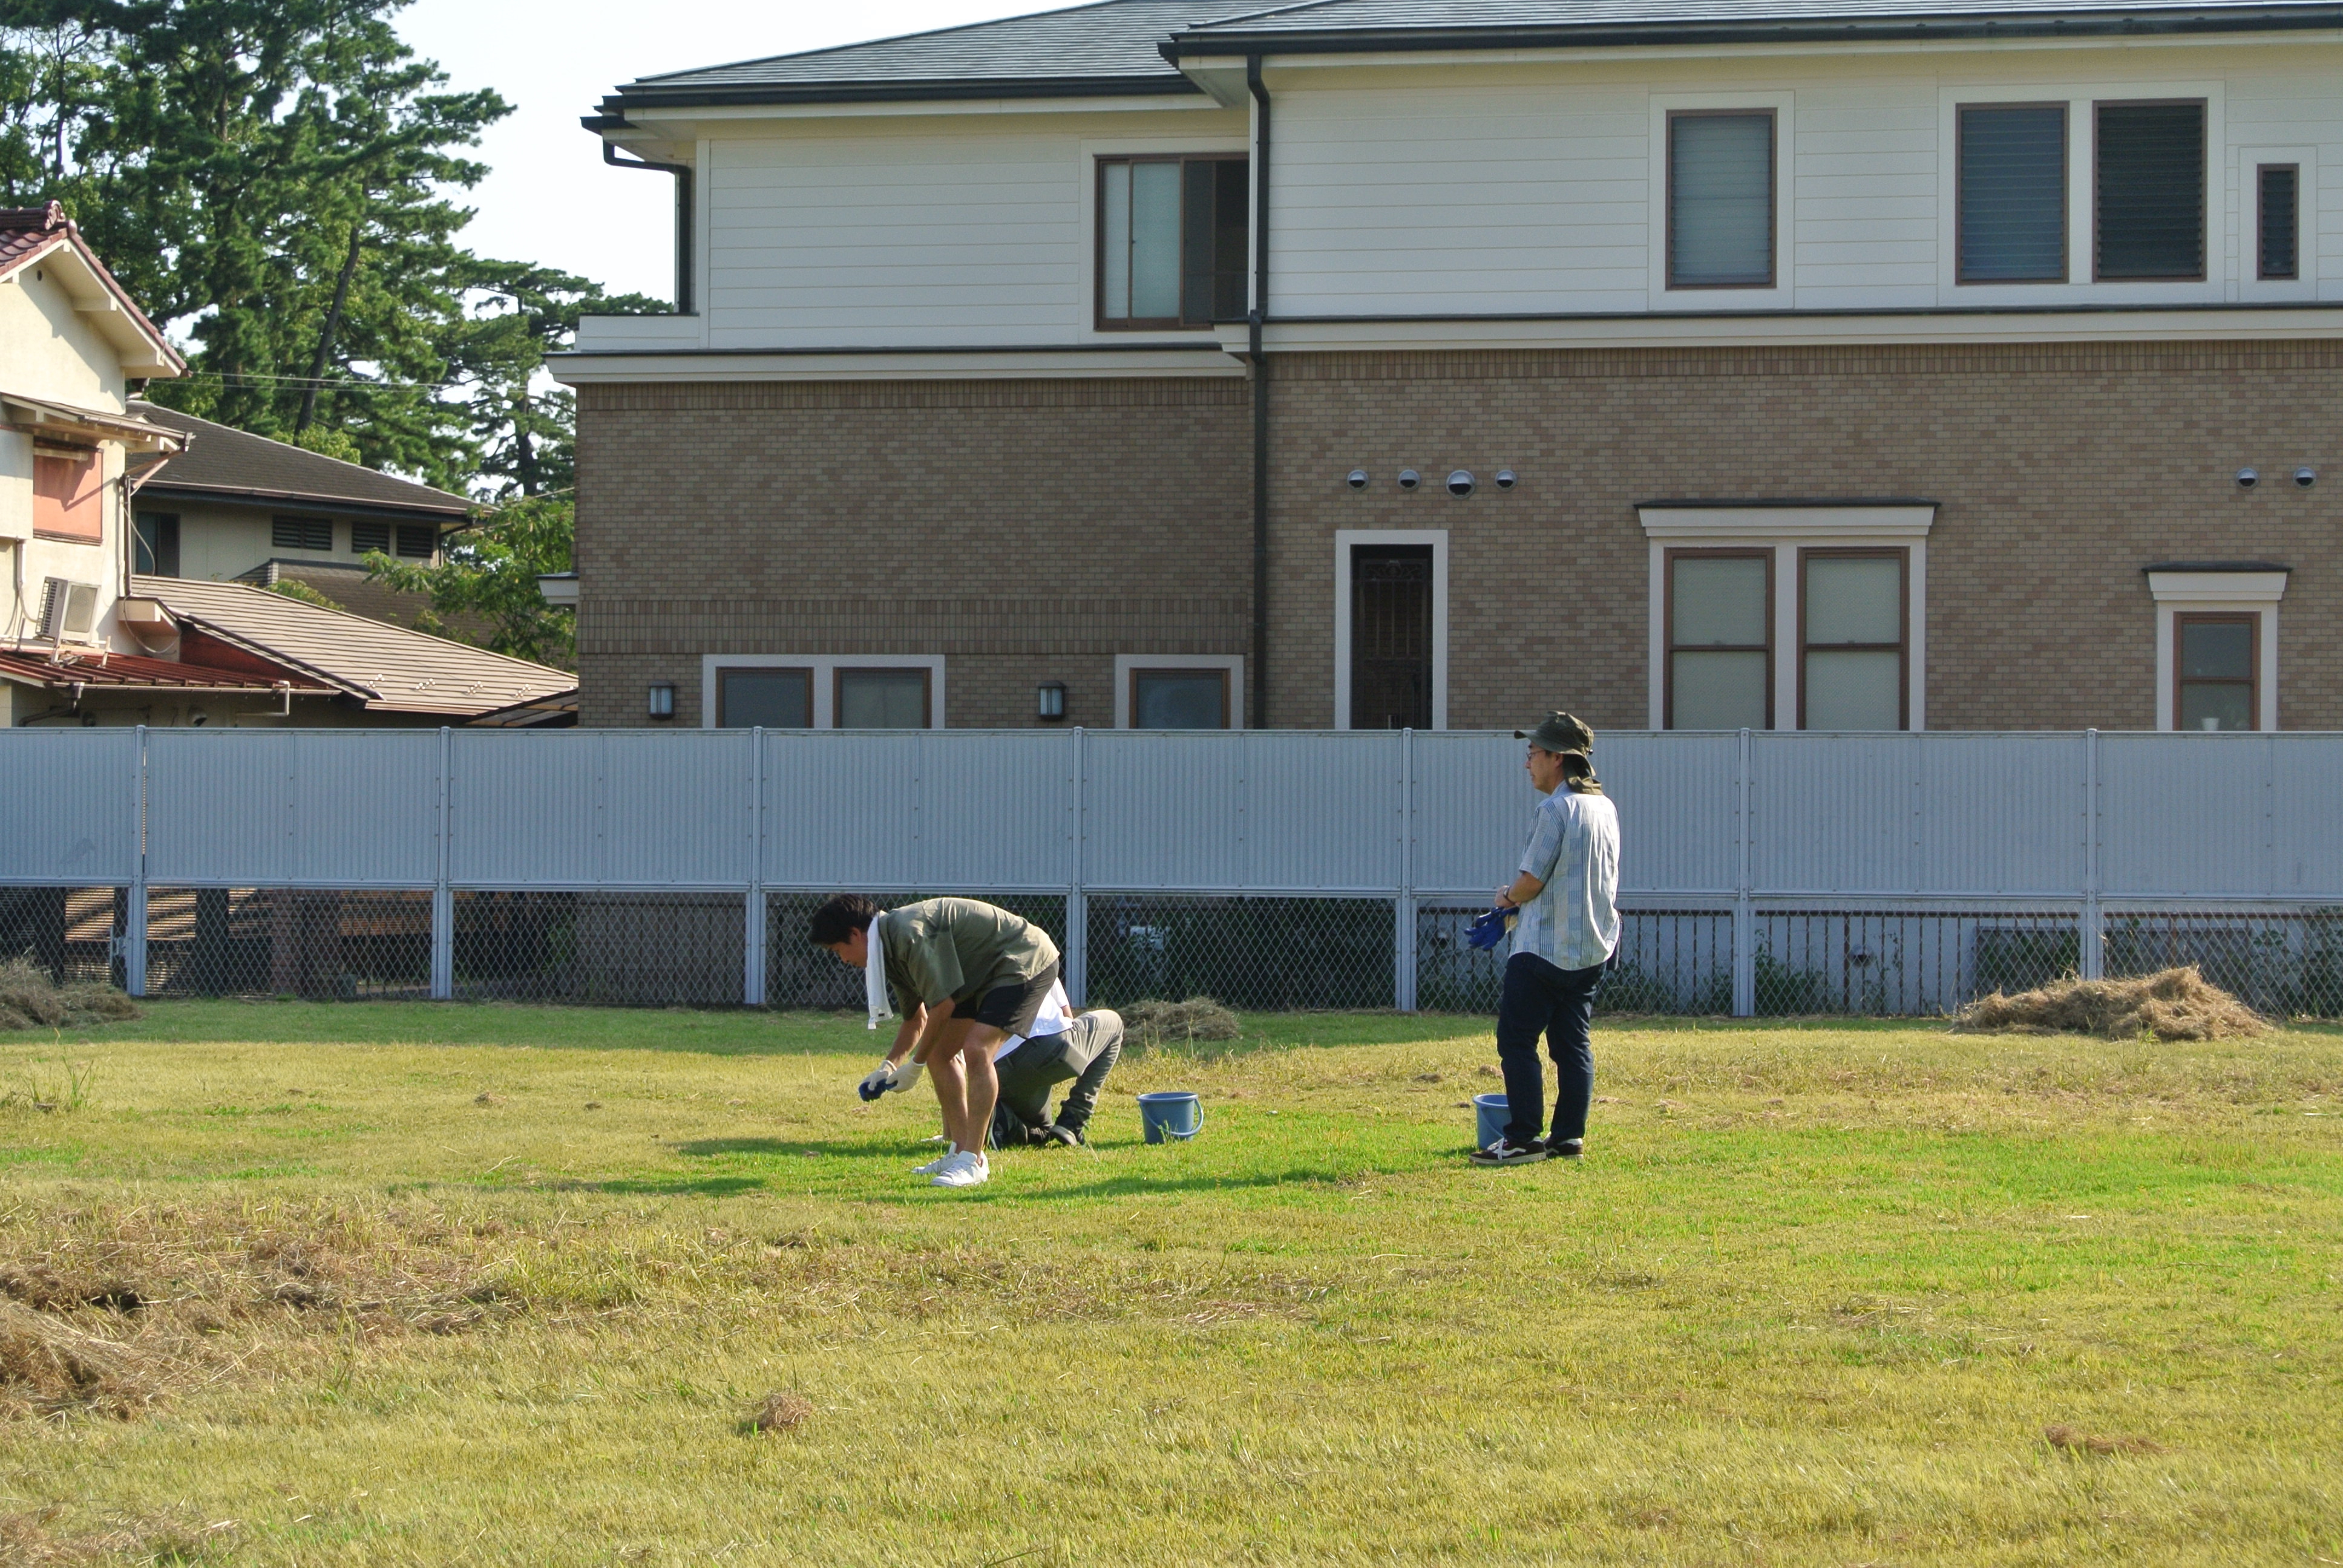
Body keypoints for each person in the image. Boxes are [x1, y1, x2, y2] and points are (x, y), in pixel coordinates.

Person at [811, 893, 1060, 1189]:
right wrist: (889, 1066)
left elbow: (942, 1008)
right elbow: (916, 1020)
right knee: (939, 1056)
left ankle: (974, 1160)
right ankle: (959, 1149)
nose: (844, 960)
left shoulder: (906, 932)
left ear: (855, 934)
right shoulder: (887, 947)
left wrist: (914, 1067)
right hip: (980, 976)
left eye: (839, 950)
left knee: (977, 1049)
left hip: (1024, 959)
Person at [1470, 712, 1620, 1166]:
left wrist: (1504, 897)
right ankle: (1568, 1137)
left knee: (1516, 1041)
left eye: (1533, 753)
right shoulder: (1605, 808)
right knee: (1572, 1046)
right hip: (1592, 948)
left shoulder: (1555, 809)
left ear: (1558, 758)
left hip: (1543, 949)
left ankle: (1521, 1139)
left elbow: (1532, 881)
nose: (1528, 763)